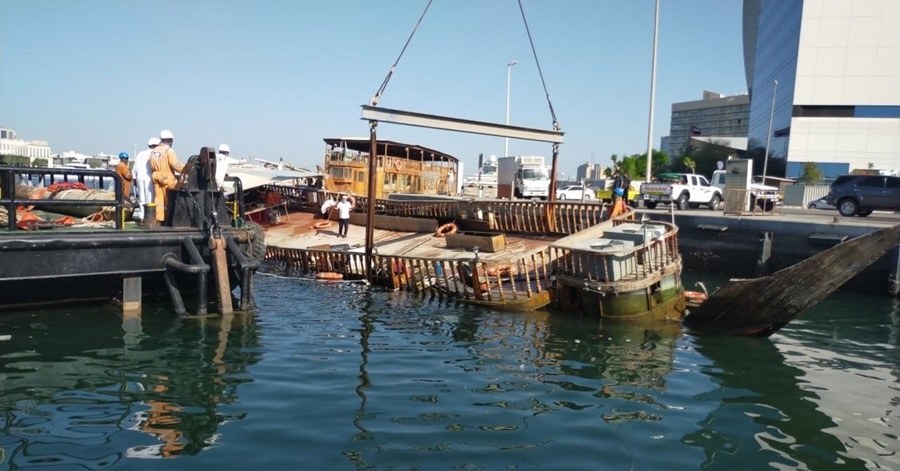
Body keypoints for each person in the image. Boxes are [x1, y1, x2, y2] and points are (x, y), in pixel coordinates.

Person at [149, 129, 184, 223]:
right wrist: (186, 169)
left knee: (158, 199)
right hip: (166, 176)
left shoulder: (154, 150)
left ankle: (159, 219)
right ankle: (171, 218)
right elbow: (176, 166)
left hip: (156, 175)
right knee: (172, 196)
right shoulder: (169, 150)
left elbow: (150, 163)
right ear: (170, 140)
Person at [133, 137, 159, 219]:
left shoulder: (141, 153)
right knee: (149, 197)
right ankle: (148, 217)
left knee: (141, 198)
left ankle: (141, 216)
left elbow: (135, 167)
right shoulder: (155, 153)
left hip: (139, 177)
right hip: (149, 177)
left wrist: (134, 178)